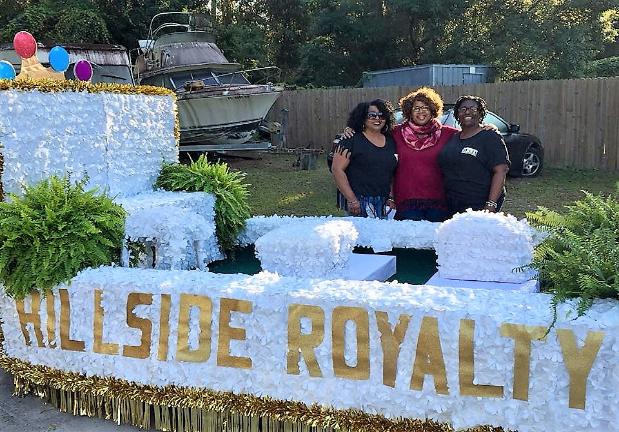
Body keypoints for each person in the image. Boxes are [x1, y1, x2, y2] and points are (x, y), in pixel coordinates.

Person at [438, 95, 510, 215]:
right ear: (457, 114)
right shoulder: (453, 138)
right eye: (463, 109)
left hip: (478, 204)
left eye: (473, 109)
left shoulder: (490, 137)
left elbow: (501, 171)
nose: (468, 112)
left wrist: (491, 204)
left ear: (481, 113)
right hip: (451, 203)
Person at [331, 99, 397, 218]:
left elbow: (392, 173)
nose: (377, 119)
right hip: (359, 203)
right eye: (372, 115)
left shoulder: (391, 141)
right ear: (362, 117)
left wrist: (391, 197)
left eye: (381, 115)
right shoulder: (350, 139)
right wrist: (352, 200)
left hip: (385, 204)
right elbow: (337, 170)